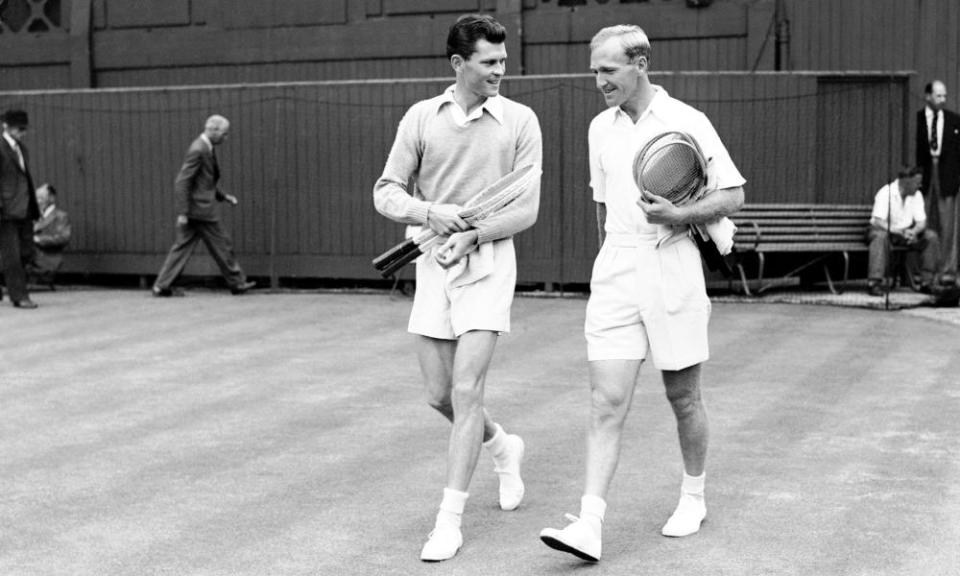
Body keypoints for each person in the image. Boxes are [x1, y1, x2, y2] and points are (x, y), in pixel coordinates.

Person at [539, 25, 745, 562]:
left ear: (641, 64)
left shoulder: (688, 121)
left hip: (671, 259)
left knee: (683, 398)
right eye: (595, 71)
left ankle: (693, 496)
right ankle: (588, 524)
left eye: (607, 70)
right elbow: (602, 209)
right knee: (605, 401)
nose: (599, 80)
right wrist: (612, 261)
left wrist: (679, 214)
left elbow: (734, 194)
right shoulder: (598, 129)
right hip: (616, 266)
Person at [372, 13, 542, 562]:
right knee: (439, 395)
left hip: (489, 264)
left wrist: (473, 234)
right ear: (458, 64)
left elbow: (527, 207)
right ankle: (502, 445)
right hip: (431, 262)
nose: (500, 70)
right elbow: (386, 191)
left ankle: (449, 521)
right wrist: (431, 213)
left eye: (502, 61)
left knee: (467, 391)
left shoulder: (521, 120)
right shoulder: (422, 117)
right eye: (489, 62)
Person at [152, 115, 255, 297]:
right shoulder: (199, 149)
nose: (226, 137)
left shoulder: (205, 147)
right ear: (213, 130)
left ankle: (161, 286)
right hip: (201, 211)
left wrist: (223, 196)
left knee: (182, 247)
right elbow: (182, 182)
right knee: (222, 244)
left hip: (196, 210)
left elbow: (204, 182)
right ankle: (237, 283)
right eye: (224, 134)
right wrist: (183, 212)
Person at [866, 166, 939, 296]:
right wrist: (895, 230)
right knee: (880, 237)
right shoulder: (886, 193)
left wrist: (914, 232)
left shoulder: (916, 195)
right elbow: (878, 221)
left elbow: (921, 222)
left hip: (905, 233)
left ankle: (927, 282)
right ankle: (874, 283)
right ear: (906, 181)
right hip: (883, 230)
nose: (920, 185)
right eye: (917, 182)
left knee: (931, 237)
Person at [916, 80, 960, 286]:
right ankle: (923, 271)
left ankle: (947, 271)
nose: (942, 100)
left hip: (946, 175)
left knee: (947, 224)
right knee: (922, 220)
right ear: (928, 96)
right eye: (938, 96)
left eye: (944, 96)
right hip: (925, 175)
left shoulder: (953, 120)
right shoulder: (918, 118)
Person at [0, 109, 41, 309]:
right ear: (6, 126)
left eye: (24, 129)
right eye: (19, 128)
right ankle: (19, 296)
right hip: (6, 210)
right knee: (12, 255)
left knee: (26, 252)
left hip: (23, 208)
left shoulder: (21, 149)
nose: (22, 132)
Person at [30, 183, 72, 286]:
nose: (38, 201)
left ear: (52, 198)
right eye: (36, 198)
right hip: (31, 256)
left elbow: (63, 238)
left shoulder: (60, 216)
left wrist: (38, 239)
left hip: (48, 257)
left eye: (41, 198)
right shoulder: (32, 217)